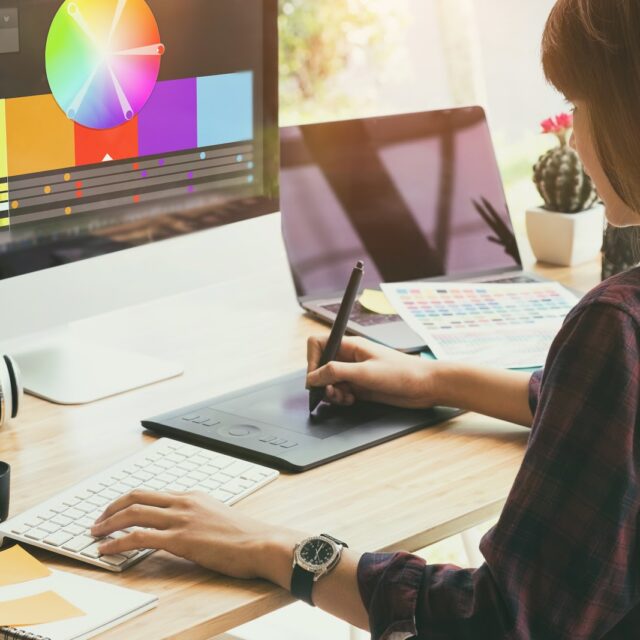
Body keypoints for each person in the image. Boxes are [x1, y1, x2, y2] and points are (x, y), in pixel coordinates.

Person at [91, 1, 640, 637]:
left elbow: (496, 621)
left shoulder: (615, 326)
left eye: (579, 103)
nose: (571, 135)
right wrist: (432, 381)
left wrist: (272, 547)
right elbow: (605, 418)